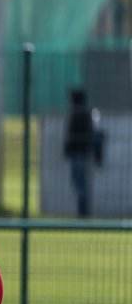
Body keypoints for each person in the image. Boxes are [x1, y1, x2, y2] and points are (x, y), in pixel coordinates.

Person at [64, 88, 101, 217]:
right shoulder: (85, 113)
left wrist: (68, 148)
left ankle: (83, 212)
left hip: (78, 153)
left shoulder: (79, 113)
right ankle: (83, 211)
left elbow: (73, 135)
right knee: (80, 183)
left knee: (80, 184)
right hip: (81, 153)